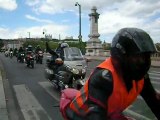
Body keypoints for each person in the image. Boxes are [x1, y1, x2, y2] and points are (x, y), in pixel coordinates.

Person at [64, 28, 160, 120]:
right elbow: (95, 115)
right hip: (80, 115)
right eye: (137, 56)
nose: (143, 62)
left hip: (108, 113)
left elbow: (154, 102)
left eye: (147, 56)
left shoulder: (142, 77)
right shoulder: (104, 77)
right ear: (121, 55)